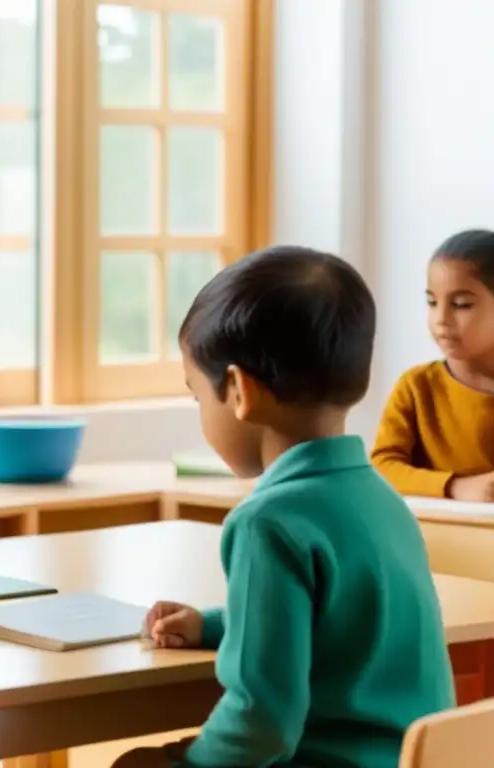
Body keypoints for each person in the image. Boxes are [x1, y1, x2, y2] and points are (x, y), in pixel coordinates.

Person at [116, 247, 454, 767]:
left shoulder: (265, 523)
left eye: (197, 396)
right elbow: (340, 621)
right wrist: (213, 625)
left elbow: (262, 723)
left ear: (238, 390)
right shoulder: (381, 499)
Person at [371, 229, 494, 500]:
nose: (441, 318)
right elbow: (381, 469)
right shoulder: (416, 387)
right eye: (432, 302)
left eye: (461, 304)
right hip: (437, 537)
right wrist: (456, 486)